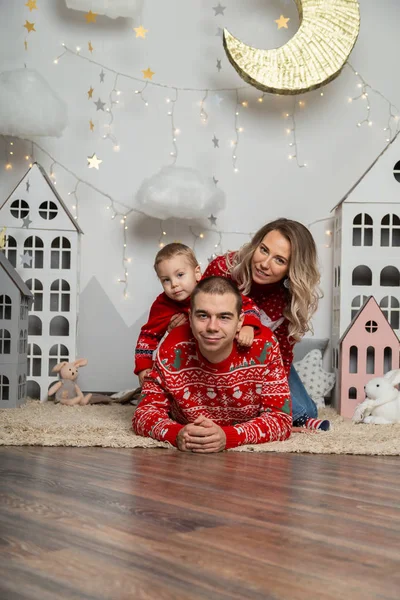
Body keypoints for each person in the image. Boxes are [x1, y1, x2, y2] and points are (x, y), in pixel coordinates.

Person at [133, 276, 292, 452]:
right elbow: (143, 414)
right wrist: (176, 434)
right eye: (203, 315)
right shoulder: (173, 346)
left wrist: (229, 436)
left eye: (224, 317)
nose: (212, 327)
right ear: (190, 317)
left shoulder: (265, 345)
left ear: (240, 322)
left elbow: (281, 420)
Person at [203, 218, 329, 431]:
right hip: (217, 354)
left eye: (279, 260)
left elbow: (282, 355)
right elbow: (197, 314)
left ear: (292, 269)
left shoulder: (288, 299)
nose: (264, 264)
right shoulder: (225, 269)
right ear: (256, 244)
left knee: (305, 412)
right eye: (263, 250)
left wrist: (272, 392)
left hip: (262, 361)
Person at [134, 242, 261, 385]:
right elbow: (147, 336)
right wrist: (143, 367)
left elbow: (249, 305)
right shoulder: (162, 305)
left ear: (197, 273)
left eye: (180, 275)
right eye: (166, 280)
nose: (174, 284)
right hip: (187, 364)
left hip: (222, 357)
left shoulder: (211, 290)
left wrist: (248, 325)